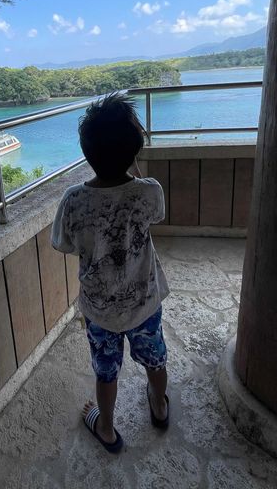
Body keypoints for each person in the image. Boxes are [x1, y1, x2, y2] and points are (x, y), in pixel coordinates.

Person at [51, 93, 170, 454]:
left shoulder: (73, 200)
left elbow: (65, 244)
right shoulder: (148, 192)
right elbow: (157, 216)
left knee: (105, 371)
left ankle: (105, 427)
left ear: (87, 152)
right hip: (144, 303)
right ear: (135, 151)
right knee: (156, 358)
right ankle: (160, 405)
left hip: (101, 311)